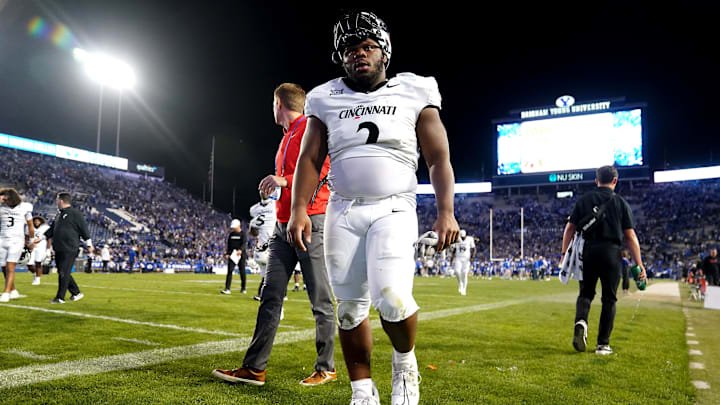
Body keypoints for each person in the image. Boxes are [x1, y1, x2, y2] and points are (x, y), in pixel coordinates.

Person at [287, 11, 459, 405]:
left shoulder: (415, 90)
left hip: (394, 206)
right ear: (340, 57)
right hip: (342, 209)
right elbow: (309, 160)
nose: (358, 54)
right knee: (349, 309)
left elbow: (437, 157)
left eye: (367, 46)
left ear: (384, 51)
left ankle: (404, 364)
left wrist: (445, 211)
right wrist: (299, 208)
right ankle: (362, 391)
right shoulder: (324, 97)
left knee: (394, 299)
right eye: (350, 49)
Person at [212, 82, 336, 387]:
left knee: (319, 298)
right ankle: (255, 368)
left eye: (273, 104)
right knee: (270, 296)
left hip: (309, 222)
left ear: (279, 103)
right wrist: (279, 188)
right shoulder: (287, 137)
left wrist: (282, 179)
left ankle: (327, 366)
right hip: (282, 226)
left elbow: (323, 172)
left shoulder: (310, 127)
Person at [561, 166, 646, 355]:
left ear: (596, 180)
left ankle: (581, 322)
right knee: (609, 299)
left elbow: (569, 229)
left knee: (585, 294)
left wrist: (563, 253)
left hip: (588, 251)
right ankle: (602, 344)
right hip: (612, 253)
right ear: (615, 181)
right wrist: (639, 264)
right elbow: (631, 237)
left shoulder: (583, 200)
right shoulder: (620, 202)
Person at [44, 192, 93, 304]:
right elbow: (51, 230)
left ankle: (60, 297)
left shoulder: (76, 213)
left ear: (61, 200)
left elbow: (84, 229)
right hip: (59, 248)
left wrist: (89, 244)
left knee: (64, 272)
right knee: (62, 271)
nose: (56, 202)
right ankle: (76, 293)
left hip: (69, 248)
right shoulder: (59, 215)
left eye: (57, 200)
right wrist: (40, 238)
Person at [0, 188, 34, 303]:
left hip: (16, 240)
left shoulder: (25, 207)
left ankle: (6, 293)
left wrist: (32, 239)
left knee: (10, 267)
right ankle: (13, 290)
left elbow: (30, 225)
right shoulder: (2, 207)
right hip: (3, 239)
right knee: (4, 267)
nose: (5, 201)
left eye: (6, 199)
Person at [249, 190, 278, 301]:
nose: (264, 192)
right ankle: (267, 295)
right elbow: (253, 232)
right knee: (267, 274)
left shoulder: (275, 204)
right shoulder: (254, 209)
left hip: (274, 241)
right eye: (262, 189)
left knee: (273, 272)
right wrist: (255, 228)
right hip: (263, 245)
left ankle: (265, 294)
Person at [222, 219, 247, 294]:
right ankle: (227, 288)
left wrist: (240, 250)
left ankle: (243, 288)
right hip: (233, 255)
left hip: (241, 255)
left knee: (242, 271)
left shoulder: (243, 234)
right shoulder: (231, 234)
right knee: (229, 271)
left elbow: (244, 243)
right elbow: (229, 245)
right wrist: (228, 253)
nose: (233, 228)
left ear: (239, 226)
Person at [450, 229, 475, 295]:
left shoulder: (470, 239)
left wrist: (472, 257)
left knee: (464, 273)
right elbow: (454, 250)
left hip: (466, 259)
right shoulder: (457, 240)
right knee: (456, 271)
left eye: (463, 237)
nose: (462, 238)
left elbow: (474, 249)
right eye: (461, 237)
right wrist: (451, 259)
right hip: (458, 258)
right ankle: (460, 283)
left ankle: (464, 289)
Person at [28, 216, 50, 285]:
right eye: (35, 220)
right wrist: (25, 245)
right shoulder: (29, 226)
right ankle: (35, 273)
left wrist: (48, 249)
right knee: (29, 263)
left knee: (38, 262)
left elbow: (48, 238)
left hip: (41, 247)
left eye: (38, 221)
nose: (36, 222)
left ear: (41, 221)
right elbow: (26, 236)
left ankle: (37, 279)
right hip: (31, 247)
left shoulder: (45, 227)